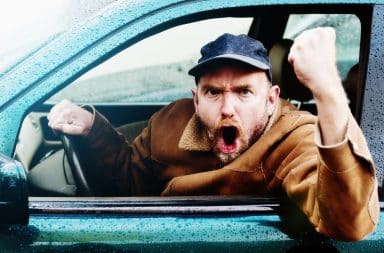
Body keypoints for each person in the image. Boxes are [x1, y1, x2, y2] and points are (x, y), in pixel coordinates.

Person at [47, 28, 379, 241]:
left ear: (271, 100)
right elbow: (130, 185)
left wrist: (327, 90)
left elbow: (348, 222)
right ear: (196, 98)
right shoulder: (171, 121)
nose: (227, 108)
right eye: (213, 93)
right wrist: (93, 131)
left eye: (244, 92)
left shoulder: (295, 137)